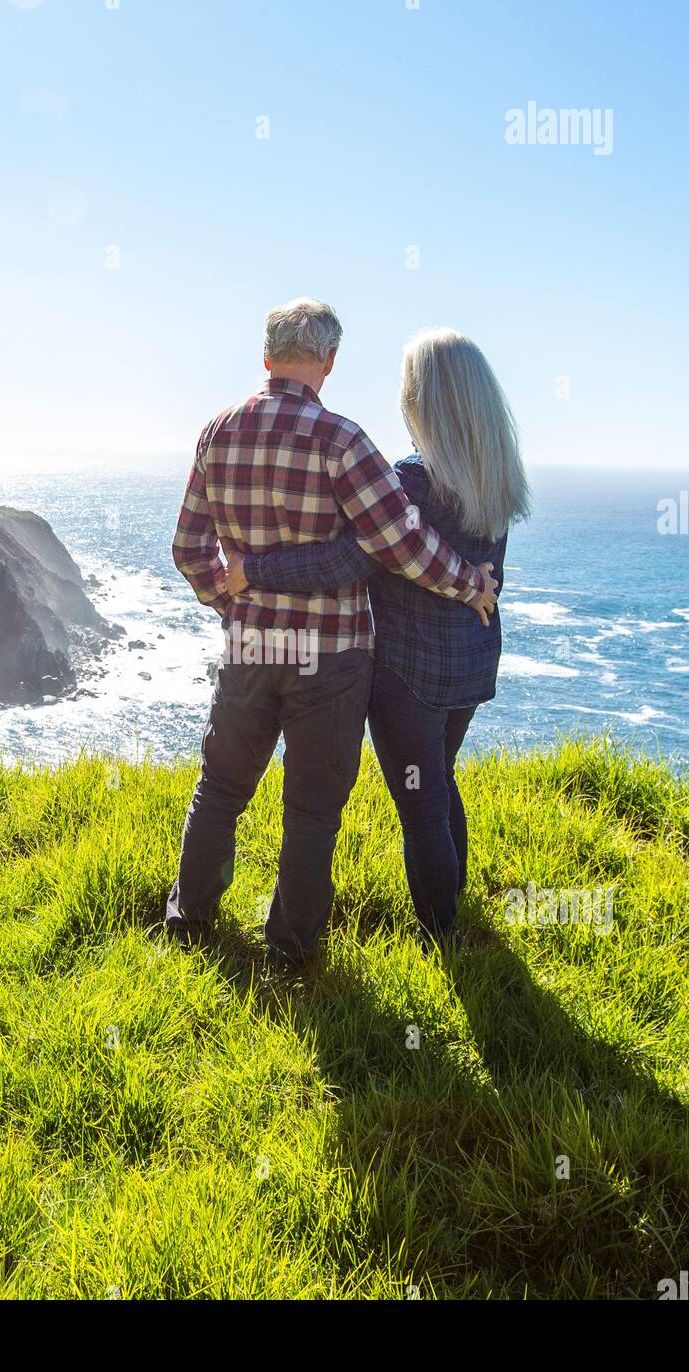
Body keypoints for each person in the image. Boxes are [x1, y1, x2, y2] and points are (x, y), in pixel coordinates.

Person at [167, 300, 497, 966]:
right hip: (332, 660)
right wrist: (470, 585)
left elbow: (187, 548)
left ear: (265, 355)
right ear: (329, 360)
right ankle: (289, 951)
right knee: (311, 811)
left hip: (250, 648)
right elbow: (400, 543)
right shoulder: (344, 441)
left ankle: (189, 921)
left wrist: (230, 602)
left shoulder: (216, 434)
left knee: (221, 788)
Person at [225, 328, 529, 941]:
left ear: (423, 398)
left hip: (405, 673)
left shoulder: (411, 481)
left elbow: (347, 562)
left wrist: (254, 571)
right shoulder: (497, 475)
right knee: (438, 782)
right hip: (469, 663)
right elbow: (488, 574)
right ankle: (458, 919)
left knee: (421, 808)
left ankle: (443, 938)